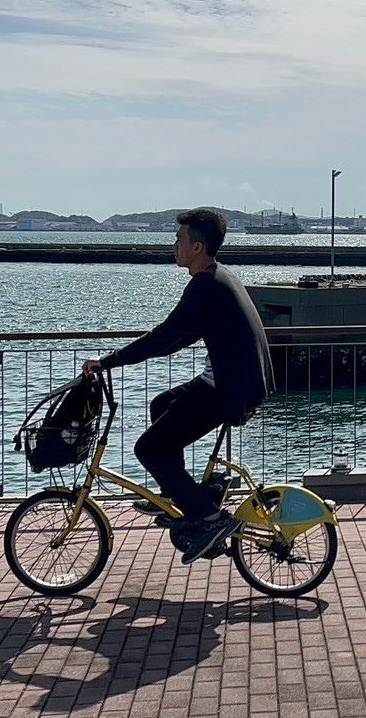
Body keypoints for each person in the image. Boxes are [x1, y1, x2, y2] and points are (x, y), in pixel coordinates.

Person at [82, 208, 275, 565]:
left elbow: (165, 336)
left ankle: (208, 517)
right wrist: (130, 357)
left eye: (179, 239)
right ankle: (180, 497)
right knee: (161, 405)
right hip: (235, 382)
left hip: (228, 390)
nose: (174, 245)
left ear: (198, 247)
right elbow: (176, 338)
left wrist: (107, 362)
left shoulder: (206, 284)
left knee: (148, 450)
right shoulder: (218, 278)